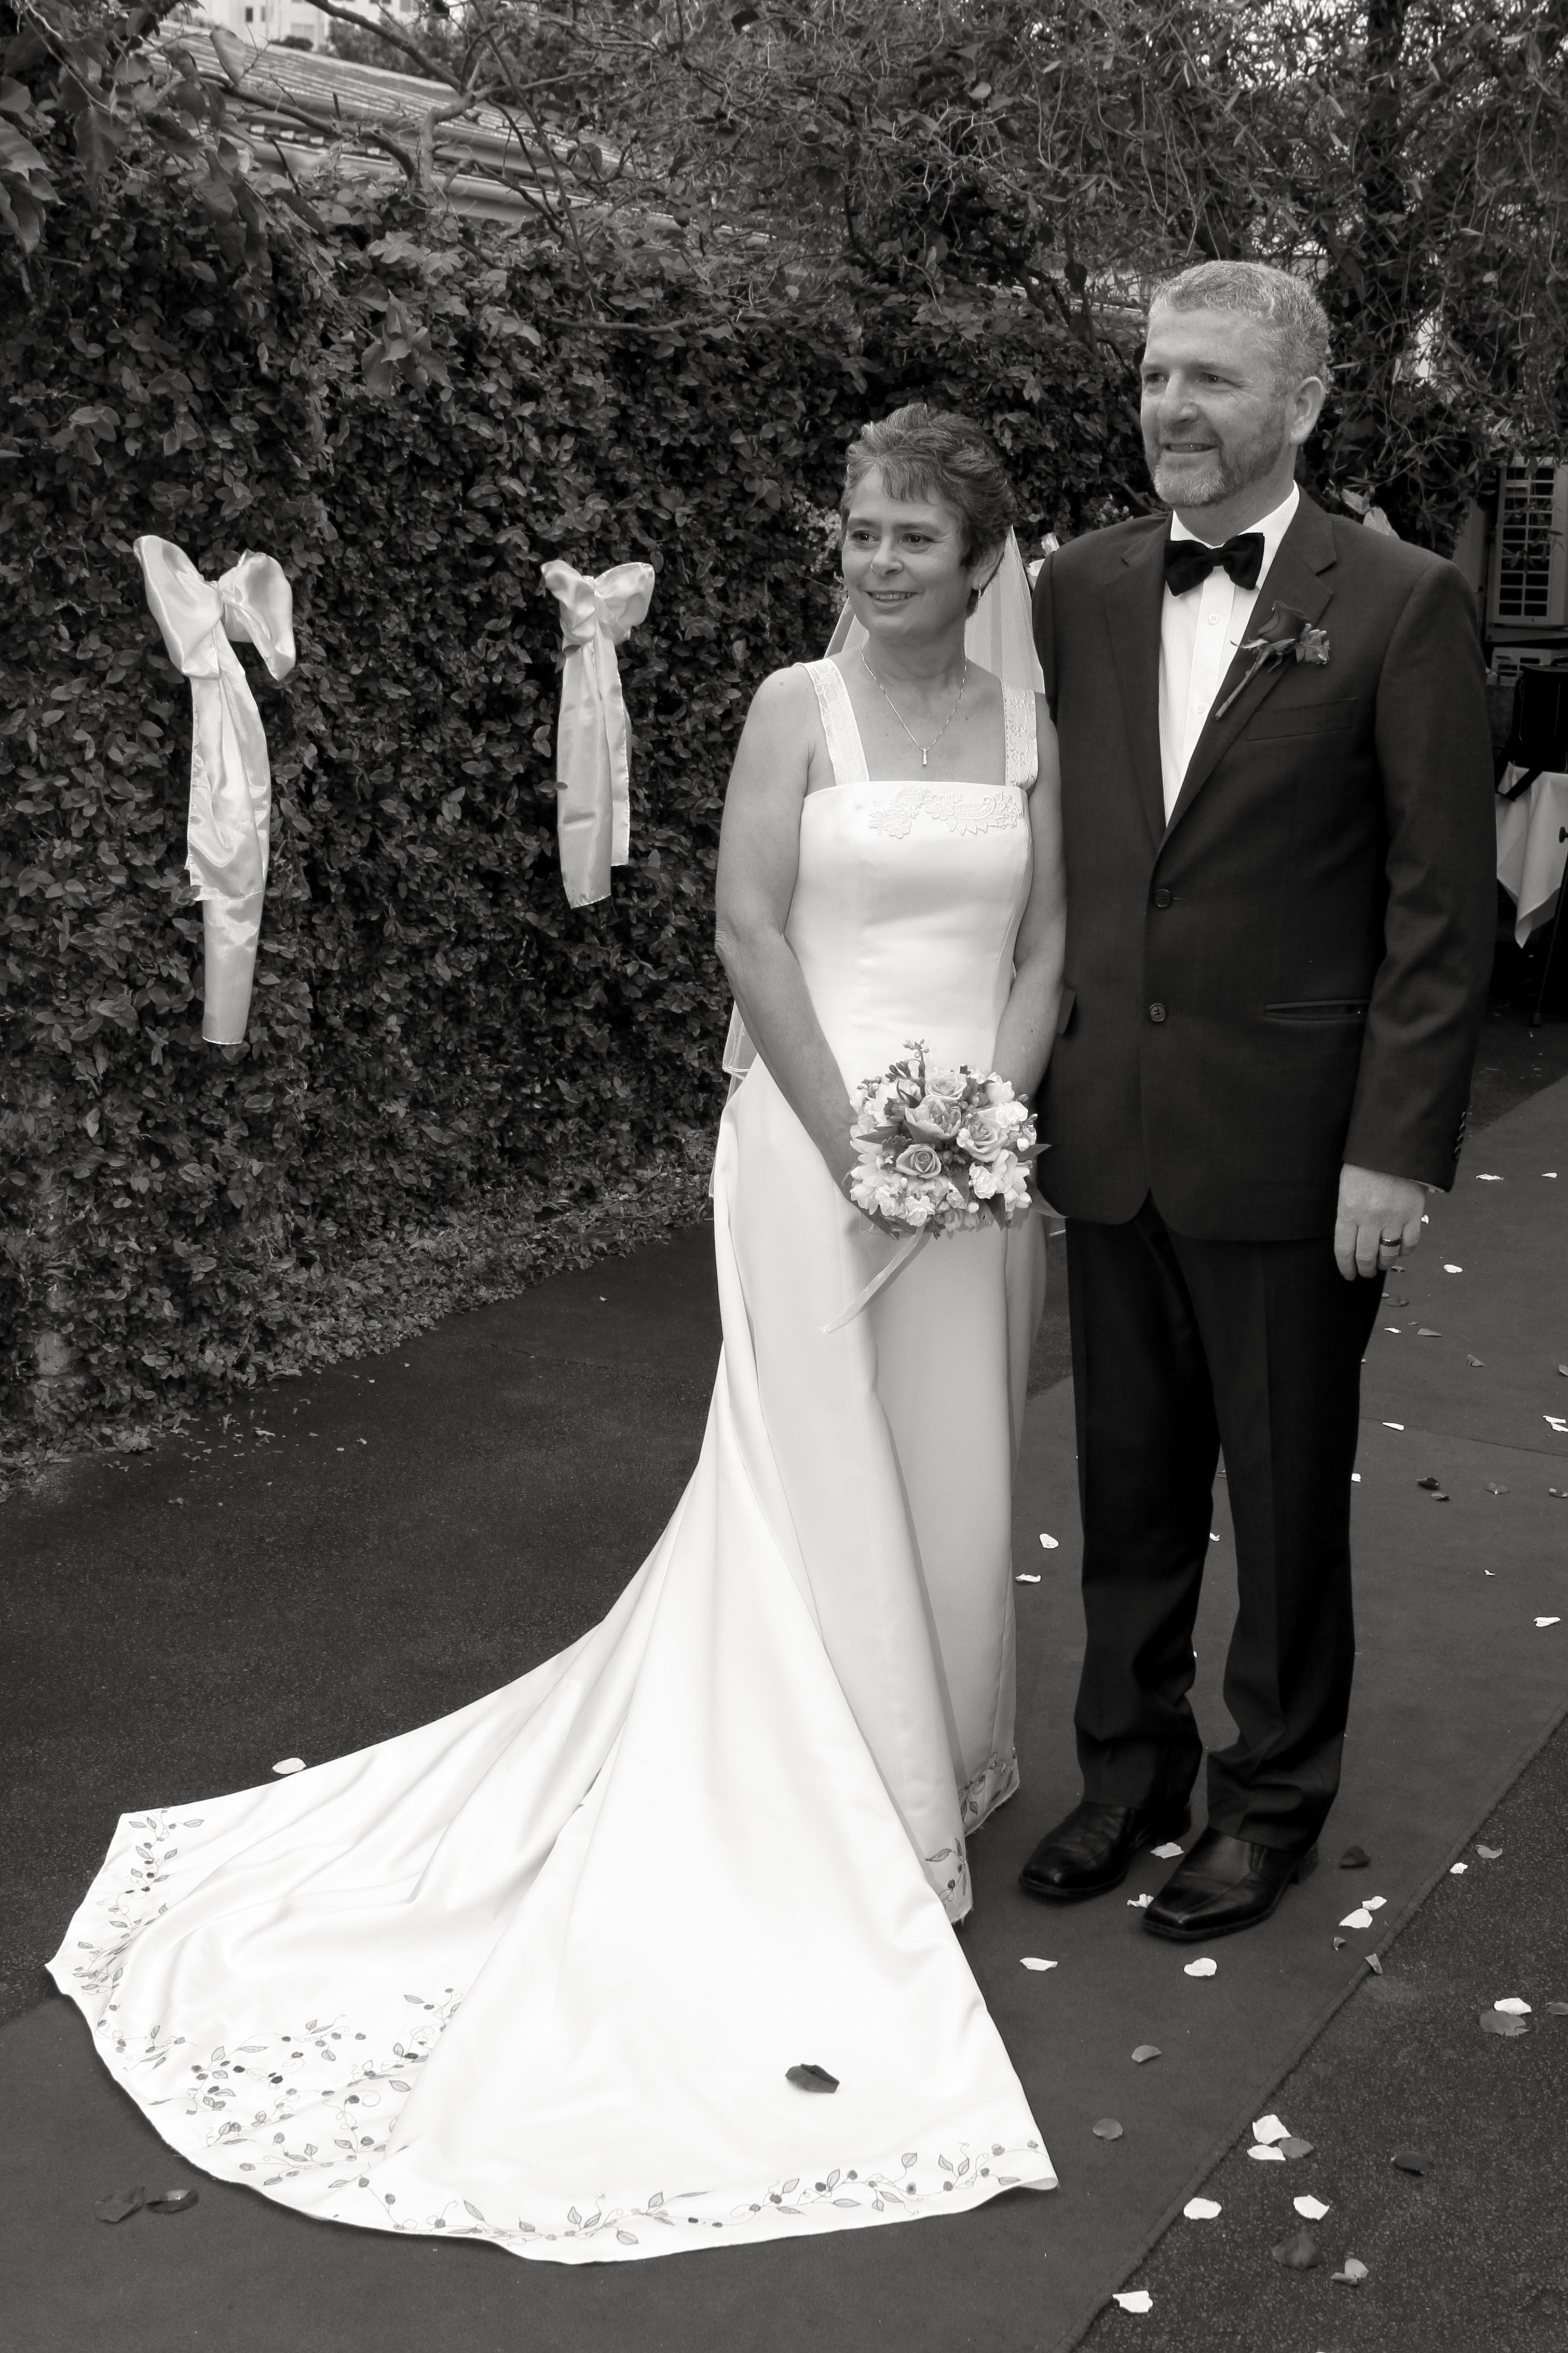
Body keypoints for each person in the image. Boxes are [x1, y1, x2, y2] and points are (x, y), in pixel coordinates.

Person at [50, 405, 1067, 2260]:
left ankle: (934, 1749)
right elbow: (751, 934)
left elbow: (1046, 943)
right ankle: (841, 1799)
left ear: (983, 559)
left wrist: (987, 1122)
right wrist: (860, 1145)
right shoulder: (794, 708)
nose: (877, 561)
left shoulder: (1026, 724)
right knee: (813, 1466)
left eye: (914, 537)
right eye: (859, 529)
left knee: (946, 1454)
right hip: (813, 1141)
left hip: (969, 1161)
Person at [1019, 260, 1495, 1941]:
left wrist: (1395, 1147)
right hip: (1111, 1123)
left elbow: (1443, 904)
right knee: (1127, 1481)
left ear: (1302, 404)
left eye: (1212, 379)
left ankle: (1271, 1802)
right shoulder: (1076, 587)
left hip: (1298, 1145)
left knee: (1283, 1499)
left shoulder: (1402, 600)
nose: (1173, 406)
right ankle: (1128, 1771)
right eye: (1158, 374)